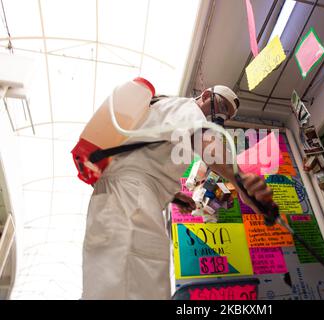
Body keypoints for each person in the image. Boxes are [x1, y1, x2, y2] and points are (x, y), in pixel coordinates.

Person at [82, 85, 274, 299]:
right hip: (130, 197)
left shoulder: (166, 112)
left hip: (121, 196)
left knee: (110, 284)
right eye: (220, 106)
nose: (220, 115)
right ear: (206, 95)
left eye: (225, 115)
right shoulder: (188, 109)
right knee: (135, 285)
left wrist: (175, 196)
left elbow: (144, 158)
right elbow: (205, 142)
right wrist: (239, 179)